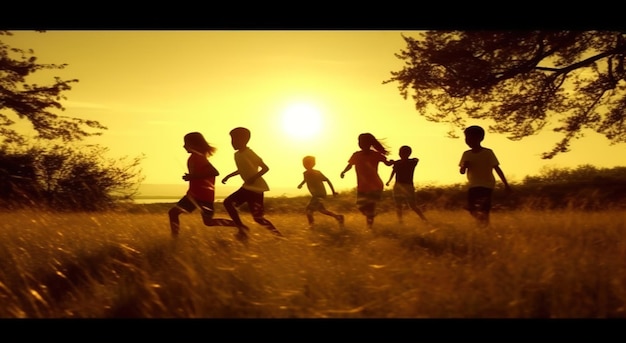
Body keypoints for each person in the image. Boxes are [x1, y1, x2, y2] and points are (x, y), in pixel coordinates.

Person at [168, 132, 240, 237]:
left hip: (203, 196)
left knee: (207, 222)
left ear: (194, 144)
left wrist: (193, 177)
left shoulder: (199, 157)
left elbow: (214, 172)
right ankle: (174, 238)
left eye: (186, 143)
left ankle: (240, 226)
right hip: (193, 195)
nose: (184, 146)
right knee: (175, 213)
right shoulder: (194, 157)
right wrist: (191, 176)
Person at [221, 127, 283, 240]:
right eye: (231, 140)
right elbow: (242, 169)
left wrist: (253, 178)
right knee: (228, 203)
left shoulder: (250, 153)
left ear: (244, 140)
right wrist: (228, 176)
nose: (232, 143)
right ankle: (242, 228)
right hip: (247, 187)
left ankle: (278, 236)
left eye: (235, 140)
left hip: (256, 188)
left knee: (257, 218)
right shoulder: (237, 155)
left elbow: (265, 168)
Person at [459, 125, 512, 227]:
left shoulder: (488, 153)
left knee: (484, 210)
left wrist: (506, 184)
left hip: (487, 185)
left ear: (480, 138)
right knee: (471, 208)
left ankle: (484, 227)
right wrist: (464, 167)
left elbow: (497, 168)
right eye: (466, 138)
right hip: (473, 185)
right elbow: (462, 171)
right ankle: (482, 222)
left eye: (470, 138)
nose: (468, 141)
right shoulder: (466, 154)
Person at [340, 132, 393, 229]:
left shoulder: (376, 155)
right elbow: (350, 165)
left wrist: (392, 163)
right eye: (359, 142)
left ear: (368, 143)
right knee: (360, 206)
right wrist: (344, 171)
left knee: (370, 207)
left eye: (361, 142)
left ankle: (369, 228)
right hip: (362, 186)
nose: (359, 144)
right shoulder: (356, 155)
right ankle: (371, 217)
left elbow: (387, 163)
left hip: (375, 186)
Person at [297, 155, 344, 228]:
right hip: (315, 195)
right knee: (322, 210)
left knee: (308, 210)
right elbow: (306, 180)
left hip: (319, 195)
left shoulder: (317, 173)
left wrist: (333, 191)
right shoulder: (305, 173)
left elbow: (327, 180)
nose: (305, 165)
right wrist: (301, 184)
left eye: (308, 163)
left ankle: (312, 227)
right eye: (304, 163)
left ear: (313, 164)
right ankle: (338, 217)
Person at [385, 145, 428, 224]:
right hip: (398, 185)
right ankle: (400, 221)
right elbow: (393, 172)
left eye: (404, 153)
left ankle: (423, 219)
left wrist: (395, 162)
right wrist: (389, 180)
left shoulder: (412, 162)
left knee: (412, 205)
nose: (401, 154)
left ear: (408, 153)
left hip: (408, 186)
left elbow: (416, 159)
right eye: (401, 152)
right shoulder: (398, 163)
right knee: (398, 205)